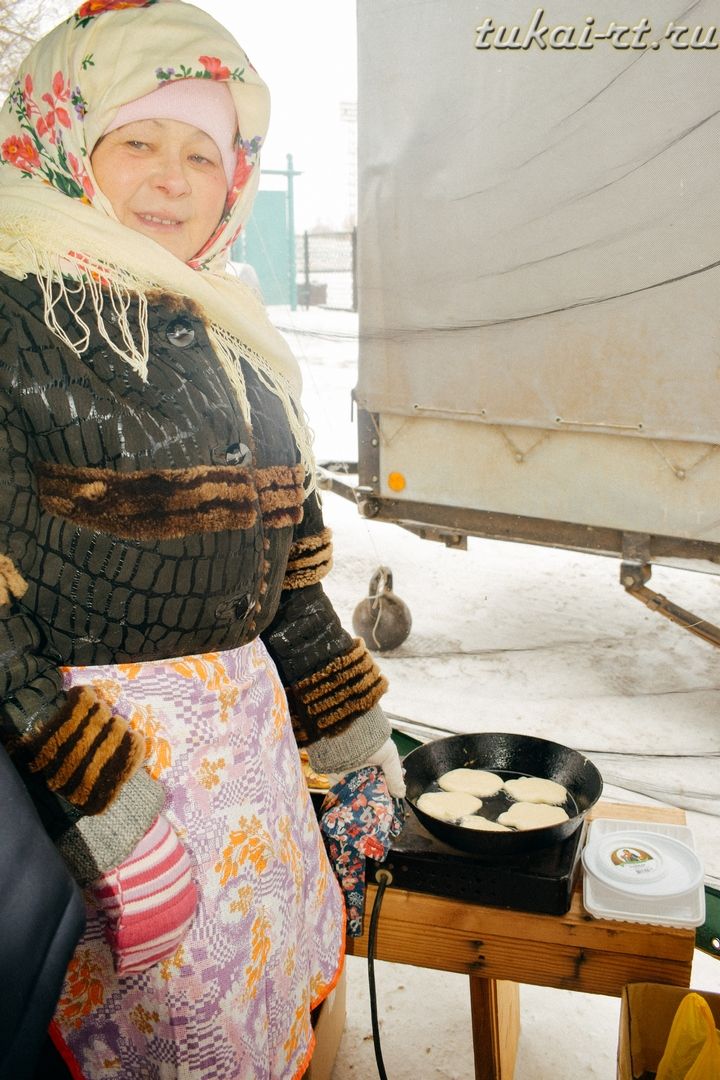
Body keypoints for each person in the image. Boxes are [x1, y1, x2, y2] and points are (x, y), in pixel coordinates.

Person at [0, 2, 405, 1077]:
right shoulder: (12, 309)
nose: (174, 177)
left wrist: (350, 730)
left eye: (202, 153)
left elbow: (291, 567)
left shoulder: (232, 327)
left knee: (254, 1024)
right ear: (63, 140)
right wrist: (101, 811)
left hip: (248, 775)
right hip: (88, 778)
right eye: (137, 140)